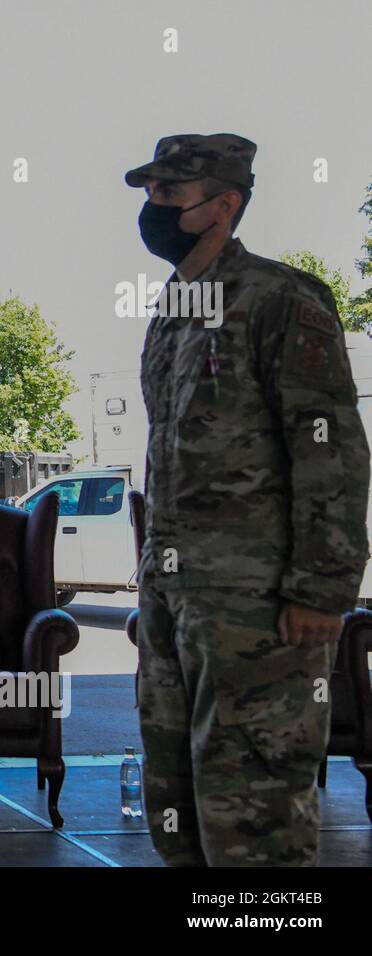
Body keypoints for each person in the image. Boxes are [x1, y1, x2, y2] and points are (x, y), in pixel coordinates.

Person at [126, 132, 370, 865]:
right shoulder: (173, 309)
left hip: (261, 611)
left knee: (255, 818)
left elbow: (329, 449)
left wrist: (322, 589)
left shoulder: (282, 300)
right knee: (179, 810)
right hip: (177, 604)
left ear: (224, 205)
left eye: (170, 194)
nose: (153, 208)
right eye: (150, 194)